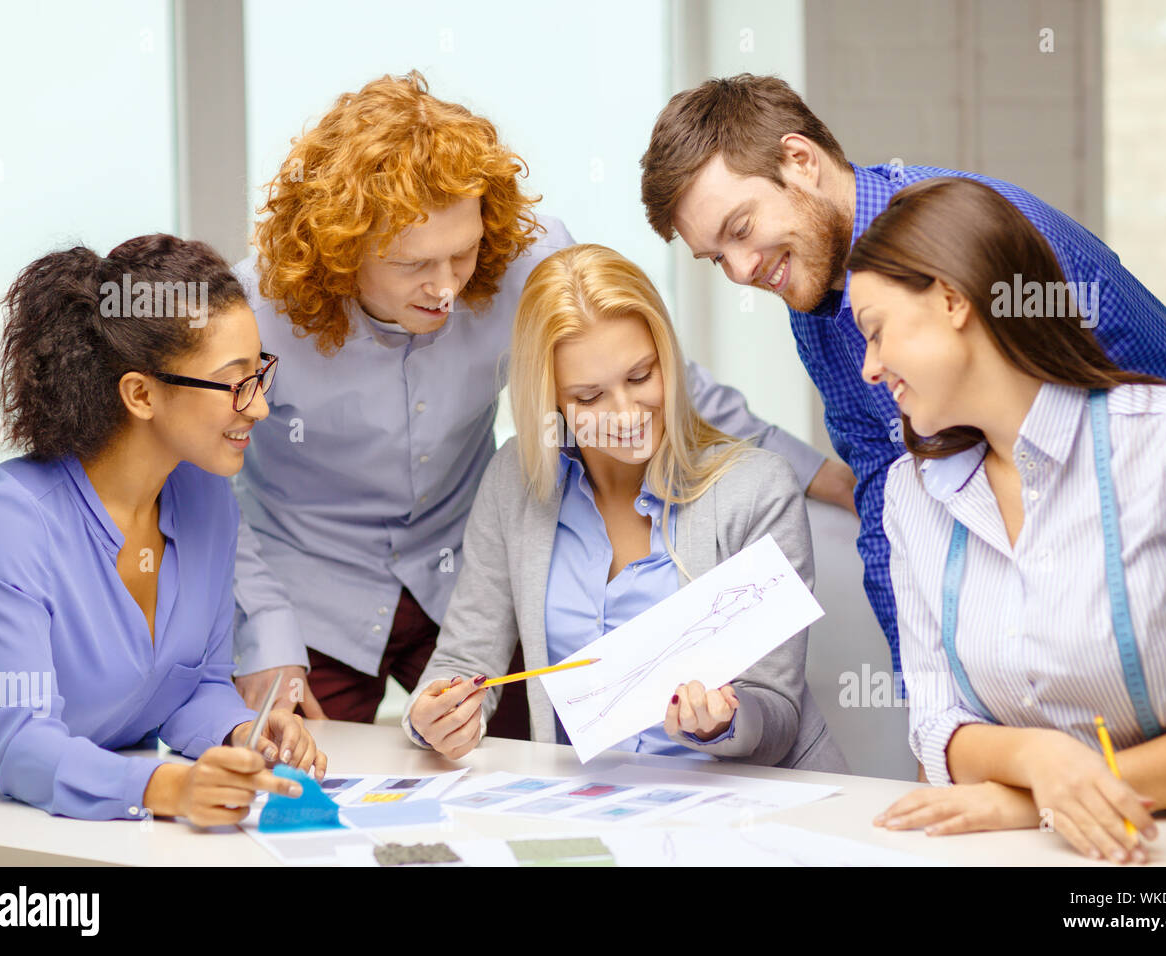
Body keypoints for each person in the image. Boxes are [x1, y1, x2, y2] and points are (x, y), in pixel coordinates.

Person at [232, 70, 839, 734]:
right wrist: (259, 631)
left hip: (462, 570)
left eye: (461, 255)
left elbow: (652, 375)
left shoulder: (527, 257)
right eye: (413, 266)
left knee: (544, 751)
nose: (445, 289)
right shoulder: (258, 315)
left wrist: (820, 475)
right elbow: (193, 476)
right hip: (310, 591)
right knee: (300, 779)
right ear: (343, 254)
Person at [640, 73, 1166, 680]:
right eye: (716, 257)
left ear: (800, 160)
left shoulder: (993, 238)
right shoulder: (814, 304)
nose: (742, 270)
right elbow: (882, 490)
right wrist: (928, 703)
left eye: (741, 229)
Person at [842, 179, 1166, 862]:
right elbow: (937, 725)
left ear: (951, 299)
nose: (870, 367)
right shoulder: (911, 497)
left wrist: (1044, 797)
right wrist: (1037, 758)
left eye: (877, 333)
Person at [402, 244, 848, 772]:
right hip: (595, 806)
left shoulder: (757, 489)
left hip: (752, 808)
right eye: (588, 397)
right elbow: (463, 660)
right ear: (551, 400)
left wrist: (723, 722)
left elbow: (776, 714)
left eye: (640, 377)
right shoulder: (514, 480)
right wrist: (431, 717)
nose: (624, 414)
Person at [0, 235, 324, 824]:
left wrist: (240, 733)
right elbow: (21, 745)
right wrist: (167, 788)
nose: (259, 408)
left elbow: (191, 684)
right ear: (141, 394)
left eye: (261, 374)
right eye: (235, 383)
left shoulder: (206, 499)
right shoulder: (6, 523)